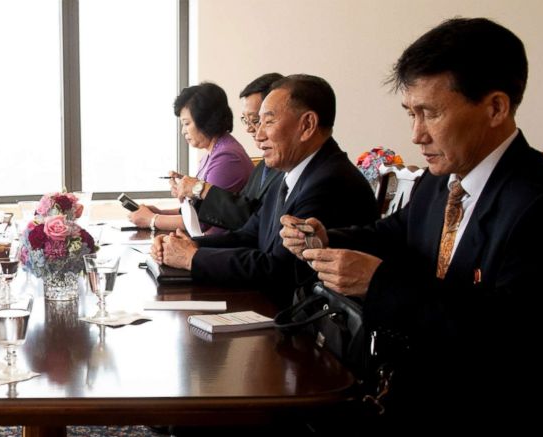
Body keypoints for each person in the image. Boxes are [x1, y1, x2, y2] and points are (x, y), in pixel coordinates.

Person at [268, 18, 543, 437]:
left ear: (496, 108)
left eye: (431, 113)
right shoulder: (438, 182)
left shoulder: (539, 203)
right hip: (416, 402)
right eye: (411, 115)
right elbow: (394, 237)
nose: (417, 134)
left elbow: (508, 335)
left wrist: (379, 285)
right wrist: (327, 236)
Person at [150, 73, 285, 437]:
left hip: (272, 293)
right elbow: (248, 229)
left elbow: (242, 227)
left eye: (262, 119)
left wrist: (191, 253)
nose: (255, 131)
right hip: (242, 264)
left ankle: (195, 428)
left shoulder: (240, 159)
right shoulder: (266, 168)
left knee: (189, 317)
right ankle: (190, 423)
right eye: (250, 121)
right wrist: (188, 250)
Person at [151, 74, 378, 307]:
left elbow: (278, 270)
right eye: (255, 123)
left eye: (268, 122)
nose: (258, 136)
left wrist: (193, 258)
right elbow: (248, 235)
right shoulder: (289, 173)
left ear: (307, 125)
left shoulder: (329, 181)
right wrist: (186, 244)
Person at [128, 82, 254, 232]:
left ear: (206, 120)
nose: (183, 131)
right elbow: (197, 210)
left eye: (186, 123)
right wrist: (159, 212)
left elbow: (201, 221)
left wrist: (152, 220)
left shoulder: (227, 157)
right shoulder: (213, 152)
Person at [170, 73, 286, 231]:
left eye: (258, 120)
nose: (252, 130)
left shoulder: (228, 156)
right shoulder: (263, 168)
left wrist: (152, 220)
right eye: (246, 120)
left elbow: (208, 221)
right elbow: (246, 218)